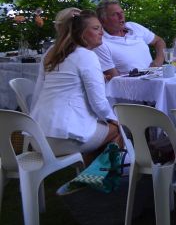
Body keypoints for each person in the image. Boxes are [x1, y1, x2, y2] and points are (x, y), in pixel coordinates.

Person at [32, 11, 123, 163]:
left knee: (99, 128)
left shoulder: (52, 53)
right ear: (81, 33)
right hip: (63, 137)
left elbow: (37, 93)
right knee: (119, 129)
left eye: (101, 28)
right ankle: (98, 178)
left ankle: (88, 176)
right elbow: (99, 104)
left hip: (36, 136)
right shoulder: (86, 55)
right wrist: (115, 120)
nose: (102, 32)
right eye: (95, 28)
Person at [93, 0, 166, 79]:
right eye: (115, 14)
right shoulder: (100, 43)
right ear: (103, 20)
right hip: (134, 87)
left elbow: (159, 41)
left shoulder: (133, 27)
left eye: (121, 12)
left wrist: (158, 61)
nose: (121, 17)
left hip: (156, 78)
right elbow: (115, 80)